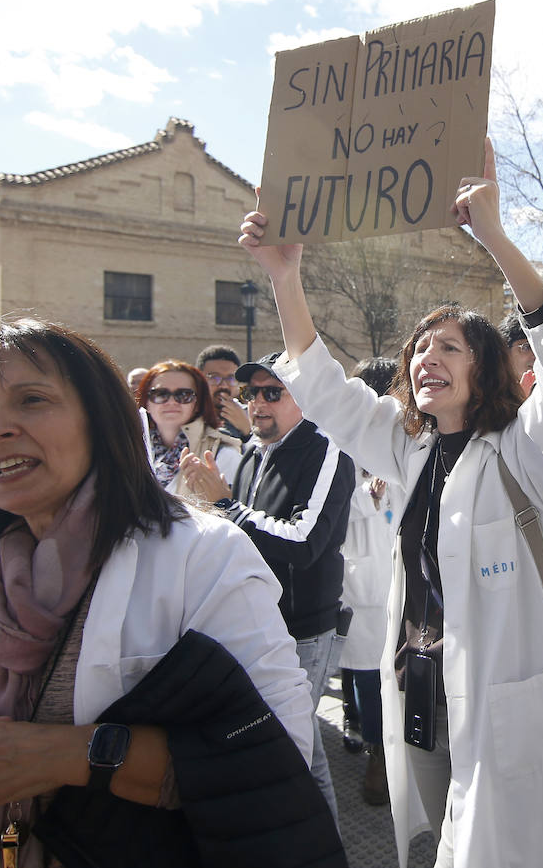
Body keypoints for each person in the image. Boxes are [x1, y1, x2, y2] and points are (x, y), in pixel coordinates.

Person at [238, 140, 543, 868]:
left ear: (486, 367)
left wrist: (492, 235)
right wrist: (285, 275)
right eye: (418, 349)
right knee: (438, 845)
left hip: (508, 701)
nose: (424, 358)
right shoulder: (406, 449)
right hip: (421, 691)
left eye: (450, 347)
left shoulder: (528, 450)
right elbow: (324, 390)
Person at [0, 319, 335, 868]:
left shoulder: (203, 554)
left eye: (31, 400)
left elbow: (281, 754)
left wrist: (69, 756)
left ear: (101, 420)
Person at [179, 352, 355, 824]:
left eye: (271, 392)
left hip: (303, 632)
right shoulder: (254, 452)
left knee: (288, 753)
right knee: (301, 748)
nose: (257, 403)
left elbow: (304, 542)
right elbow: (236, 536)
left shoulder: (327, 449)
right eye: (250, 393)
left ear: (305, 398)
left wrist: (225, 504)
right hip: (253, 623)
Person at [338, 356, 399, 806]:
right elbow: (329, 512)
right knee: (365, 673)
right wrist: (366, 496)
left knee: (398, 672)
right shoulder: (339, 443)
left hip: (400, 575)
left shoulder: (407, 437)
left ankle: (395, 748)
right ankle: (377, 751)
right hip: (360, 581)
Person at [135, 359, 241, 497]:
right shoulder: (132, 451)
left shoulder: (222, 454)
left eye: (184, 395)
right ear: (146, 402)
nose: (171, 402)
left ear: (198, 403)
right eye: (160, 394)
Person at [196, 344, 251, 440]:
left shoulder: (252, 415)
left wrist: (247, 431)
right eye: (214, 377)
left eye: (230, 378)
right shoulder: (187, 415)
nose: (224, 385)